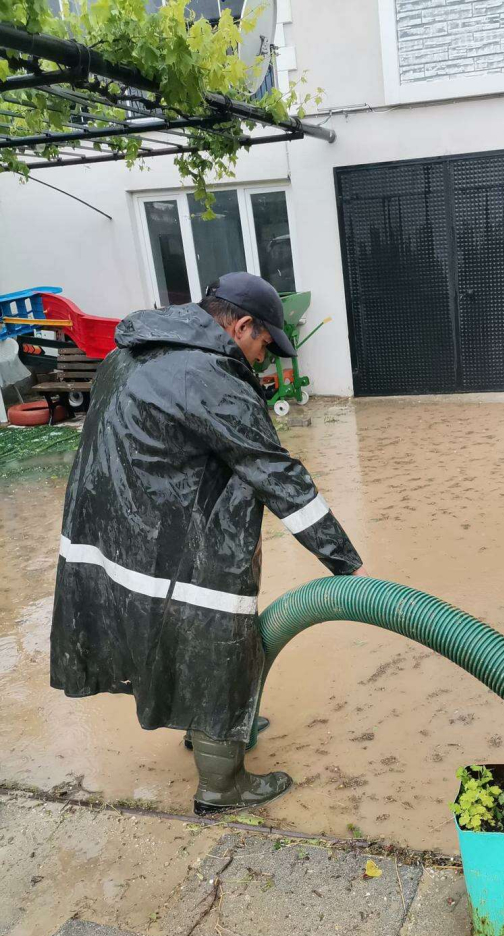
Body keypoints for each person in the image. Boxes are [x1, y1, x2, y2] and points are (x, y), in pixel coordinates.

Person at [50, 272, 366, 815]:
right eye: (265, 342)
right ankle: (222, 784)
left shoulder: (134, 352)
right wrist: (343, 561)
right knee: (218, 630)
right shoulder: (211, 375)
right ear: (242, 325)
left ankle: (208, 725)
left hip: (107, 534)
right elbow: (275, 473)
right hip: (171, 534)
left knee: (173, 630)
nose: (264, 357)